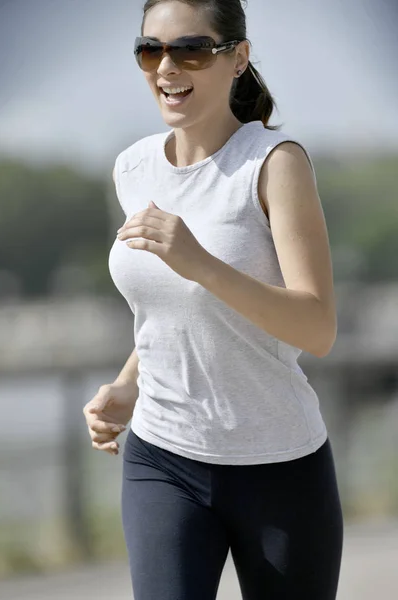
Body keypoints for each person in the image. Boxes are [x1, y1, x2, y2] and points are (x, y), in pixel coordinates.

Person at [83, 0, 344, 598]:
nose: (167, 67)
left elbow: (318, 327)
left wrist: (199, 262)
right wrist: (129, 383)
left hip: (279, 466)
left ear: (238, 59)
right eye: (151, 50)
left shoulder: (275, 165)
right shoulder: (132, 168)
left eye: (190, 49)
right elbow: (171, 309)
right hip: (162, 456)